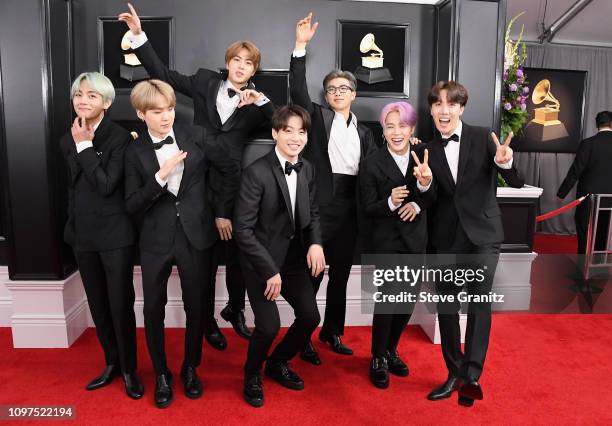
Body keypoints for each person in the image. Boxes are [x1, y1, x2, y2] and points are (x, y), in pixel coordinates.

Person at [119, 3, 275, 349]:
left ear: (253, 71)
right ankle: (205, 321)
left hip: (232, 184)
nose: (241, 66)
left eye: (249, 63)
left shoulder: (255, 101)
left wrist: (260, 100)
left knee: (235, 252)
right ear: (229, 62)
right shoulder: (205, 81)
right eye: (237, 59)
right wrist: (138, 35)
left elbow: (282, 123)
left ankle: (233, 309)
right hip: (195, 180)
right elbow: (161, 74)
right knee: (201, 262)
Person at [124, 79, 239, 408]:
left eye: (170, 109)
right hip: (155, 238)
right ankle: (161, 373)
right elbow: (131, 204)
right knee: (152, 309)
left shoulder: (197, 136)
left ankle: (190, 368)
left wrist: (220, 212)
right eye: (157, 111)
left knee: (196, 307)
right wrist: (160, 176)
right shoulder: (133, 152)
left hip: (196, 234)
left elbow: (229, 169)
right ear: (141, 113)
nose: (166, 117)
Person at [423, 81, 524, 407]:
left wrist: (505, 162)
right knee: (447, 308)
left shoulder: (484, 137)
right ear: (432, 109)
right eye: (437, 104)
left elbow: (517, 181)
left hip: (483, 236)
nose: (444, 110)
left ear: (461, 108)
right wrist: (424, 185)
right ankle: (454, 372)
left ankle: (472, 376)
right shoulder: (428, 149)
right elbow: (433, 200)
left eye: (451, 104)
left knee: (480, 303)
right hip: (447, 238)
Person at [290, 13, 377, 364]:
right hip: (320, 208)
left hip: (351, 208)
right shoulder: (316, 117)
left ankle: (332, 331)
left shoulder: (367, 132)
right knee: (314, 275)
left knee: (340, 276)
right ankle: (304, 336)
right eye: (331, 90)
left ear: (353, 94)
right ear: (325, 96)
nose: (337, 93)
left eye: (343, 89)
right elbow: (296, 89)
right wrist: (300, 46)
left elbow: (377, 170)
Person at [234, 105, 325, 407]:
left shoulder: (308, 168)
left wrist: (315, 244)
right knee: (269, 326)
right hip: (261, 262)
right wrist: (269, 269)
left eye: (301, 131)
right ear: (275, 133)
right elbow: (243, 231)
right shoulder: (256, 172)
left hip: (294, 260)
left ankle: (277, 362)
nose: (296, 138)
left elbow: (312, 212)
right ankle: (251, 373)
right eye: (288, 130)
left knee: (311, 316)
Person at [60, 72, 143, 400]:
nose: (83, 100)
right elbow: (74, 186)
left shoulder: (119, 137)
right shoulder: (68, 135)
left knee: (120, 304)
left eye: (92, 95)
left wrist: (84, 146)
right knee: (97, 304)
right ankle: (111, 363)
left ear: (106, 102)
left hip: (115, 234)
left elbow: (107, 184)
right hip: (82, 234)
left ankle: (129, 370)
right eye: (79, 94)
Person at [360, 101, 434, 389]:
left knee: (407, 301)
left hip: (415, 240)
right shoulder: (371, 164)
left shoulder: (424, 154)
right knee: (388, 300)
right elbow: (367, 207)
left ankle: (391, 350)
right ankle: (377, 357)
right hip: (386, 242)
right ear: (383, 130)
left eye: (402, 126)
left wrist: (419, 197)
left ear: (412, 128)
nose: (396, 132)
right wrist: (390, 201)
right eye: (390, 126)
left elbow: (433, 195)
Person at [558, 111, 612, 255]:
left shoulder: (587, 144)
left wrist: (562, 193)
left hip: (587, 196)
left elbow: (575, 171)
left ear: (596, 124)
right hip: (609, 199)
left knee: (583, 231)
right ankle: (598, 261)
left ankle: (582, 262)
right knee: (603, 229)